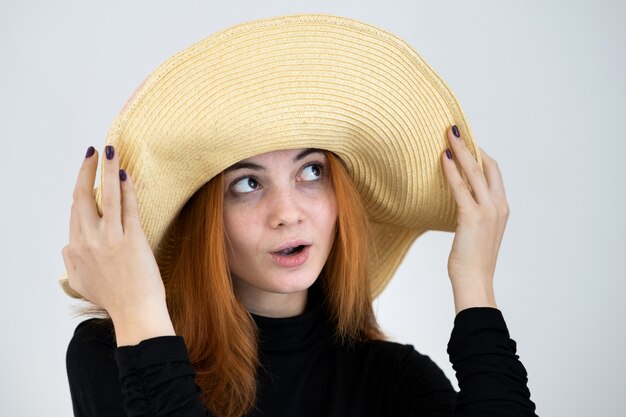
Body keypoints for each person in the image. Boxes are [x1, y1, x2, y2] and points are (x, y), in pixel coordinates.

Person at [61, 14, 537, 417]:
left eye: (311, 171)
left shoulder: (390, 379)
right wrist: (140, 315)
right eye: (246, 183)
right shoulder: (115, 351)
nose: (288, 214)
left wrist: (474, 281)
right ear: (205, 221)